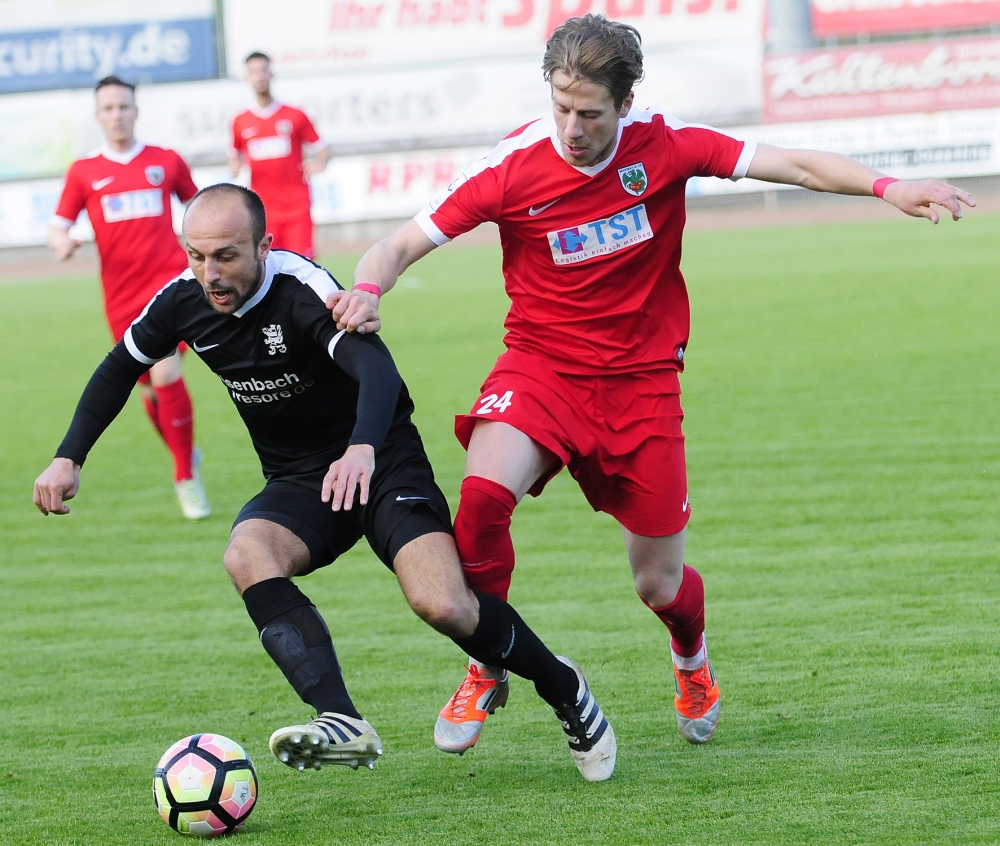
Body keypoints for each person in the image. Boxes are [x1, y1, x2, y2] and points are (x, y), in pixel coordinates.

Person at [329, 15, 976, 756]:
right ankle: (488, 659)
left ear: (625, 103)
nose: (572, 127)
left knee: (659, 585)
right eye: (561, 107)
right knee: (479, 501)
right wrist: (370, 288)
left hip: (640, 386)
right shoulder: (513, 164)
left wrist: (888, 187)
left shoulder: (666, 146)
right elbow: (400, 242)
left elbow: (794, 166)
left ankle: (692, 660)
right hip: (539, 368)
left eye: (591, 113)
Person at [32, 183, 617, 783]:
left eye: (227, 256)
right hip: (299, 479)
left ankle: (564, 686)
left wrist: (363, 448)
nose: (210, 273)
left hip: (382, 459)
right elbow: (118, 368)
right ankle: (340, 719)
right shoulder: (181, 301)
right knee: (246, 554)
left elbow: (377, 370)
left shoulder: (302, 289)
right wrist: (68, 457)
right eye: (196, 255)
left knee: (443, 603)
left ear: (264, 245)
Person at [48, 75, 210, 520]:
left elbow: (200, 210)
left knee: (165, 372)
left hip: (169, 287)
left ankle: (185, 478)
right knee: (149, 392)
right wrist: (61, 243)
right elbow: (58, 224)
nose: (117, 115)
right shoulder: (85, 172)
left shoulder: (165, 161)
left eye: (124, 106)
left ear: (136, 110)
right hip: (119, 298)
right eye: (108, 108)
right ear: (98, 116)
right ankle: (186, 455)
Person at [228, 52, 329, 259]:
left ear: (271, 73)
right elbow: (234, 155)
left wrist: (319, 161)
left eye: (263, 70)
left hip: (297, 207)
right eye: (254, 72)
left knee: (302, 265)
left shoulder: (295, 115)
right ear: (247, 77)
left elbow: (322, 148)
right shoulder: (240, 120)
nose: (259, 76)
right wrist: (235, 166)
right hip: (262, 210)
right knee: (268, 267)